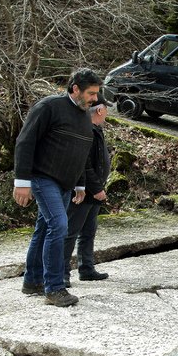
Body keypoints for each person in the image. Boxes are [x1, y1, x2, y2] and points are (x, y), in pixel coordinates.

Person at [13, 68, 103, 307]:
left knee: (44, 229)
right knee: (59, 226)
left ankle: (32, 281)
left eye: (97, 93)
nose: (95, 99)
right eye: (91, 93)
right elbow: (25, 141)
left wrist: (80, 184)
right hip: (43, 178)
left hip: (66, 183)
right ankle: (54, 288)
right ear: (75, 89)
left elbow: (81, 154)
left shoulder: (84, 116)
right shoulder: (49, 107)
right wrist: (22, 182)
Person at [63, 94, 111, 287]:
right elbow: (85, 165)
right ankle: (62, 273)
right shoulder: (87, 131)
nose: (107, 113)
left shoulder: (95, 130)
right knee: (71, 232)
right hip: (84, 190)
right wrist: (97, 188)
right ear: (99, 110)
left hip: (94, 190)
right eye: (106, 109)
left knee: (89, 231)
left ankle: (87, 268)